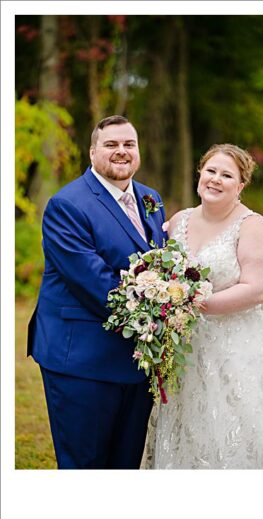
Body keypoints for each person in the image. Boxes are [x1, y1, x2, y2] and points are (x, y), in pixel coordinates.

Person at [146, 144, 263, 469]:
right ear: (200, 174)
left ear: (240, 186)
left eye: (227, 175)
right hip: (188, 347)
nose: (215, 179)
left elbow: (257, 290)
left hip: (241, 346)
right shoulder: (178, 221)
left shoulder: (253, 227)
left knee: (240, 428)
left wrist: (195, 302)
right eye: (211, 171)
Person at [28, 115, 168, 469]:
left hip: (137, 361)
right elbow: (95, 283)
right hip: (81, 360)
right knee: (86, 465)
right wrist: (165, 311)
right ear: (92, 153)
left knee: (124, 464)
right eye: (111, 145)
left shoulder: (151, 199)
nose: (121, 152)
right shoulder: (68, 205)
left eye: (129, 144)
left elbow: (163, 264)